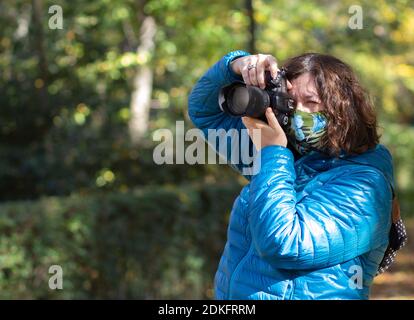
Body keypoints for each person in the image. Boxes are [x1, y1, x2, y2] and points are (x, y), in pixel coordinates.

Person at [187, 50, 397, 299]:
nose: (298, 114)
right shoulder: (290, 152)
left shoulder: (365, 183)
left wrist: (273, 153)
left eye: (311, 103)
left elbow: (285, 245)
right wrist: (236, 65)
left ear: (344, 110)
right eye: (291, 101)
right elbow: (205, 110)